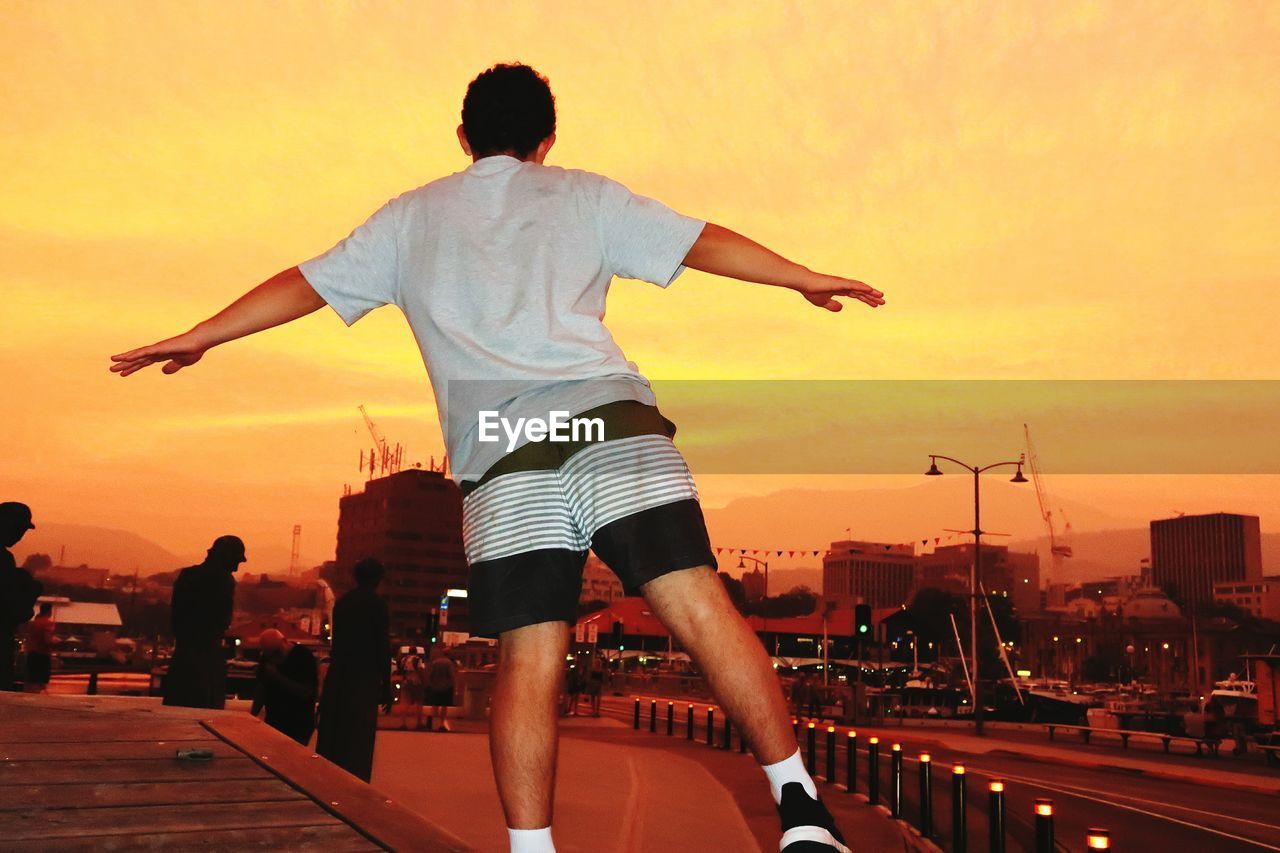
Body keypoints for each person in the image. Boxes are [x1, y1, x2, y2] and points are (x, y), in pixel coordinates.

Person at [108, 63, 881, 853]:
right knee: (700, 608)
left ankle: (532, 849)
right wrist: (801, 278)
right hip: (609, 425)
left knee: (530, 653)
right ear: (545, 140)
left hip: (507, 456)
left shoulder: (410, 219)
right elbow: (701, 240)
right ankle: (801, 809)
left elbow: (303, 284)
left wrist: (202, 333)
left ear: (462, 136)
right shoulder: (584, 193)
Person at [314, 558, 392, 781]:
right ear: (377, 579)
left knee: (335, 737)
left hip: (340, 676)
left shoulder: (343, 603)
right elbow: (382, 646)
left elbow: (338, 645)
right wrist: (385, 684)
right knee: (358, 740)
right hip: (364, 678)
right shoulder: (377, 605)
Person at [163, 535, 244, 709]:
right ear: (227, 558)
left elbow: (176, 616)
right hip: (207, 658)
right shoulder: (224, 581)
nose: (236, 568)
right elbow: (223, 620)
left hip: (183, 656)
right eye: (236, 561)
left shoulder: (187, 575)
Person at [250, 629, 319, 745]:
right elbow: (262, 688)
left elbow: (306, 692)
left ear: (285, 641)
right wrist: (252, 716)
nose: (274, 658)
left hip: (298, 725)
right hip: (274, 723)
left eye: (277, 652)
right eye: (271, 654)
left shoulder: (303, 656)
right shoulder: (267, 658)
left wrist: (277, 677)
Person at [1, 502, 43, 692]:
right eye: (18, 530)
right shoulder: (3, 560)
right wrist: (30, 589)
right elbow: (14, 609)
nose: (19, 537)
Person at [23, 602, 56, 694]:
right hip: (42, 655)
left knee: (31, 681)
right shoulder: (47, 623)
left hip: (31, 654)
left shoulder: (33, 623)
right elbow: (47, 640)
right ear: (49, 611)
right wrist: (57, 642)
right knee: (40, 682)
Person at [425, 650, 457, 732]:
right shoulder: (449, 663)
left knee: (434, 705)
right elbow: (451, 675)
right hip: (445, 687)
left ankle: (430, 720)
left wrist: (430, 684)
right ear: (449, 654)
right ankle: (441, 724)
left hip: (435, 686)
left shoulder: (435, 662)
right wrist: (452, 686)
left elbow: (430, 674)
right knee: (443, 706)